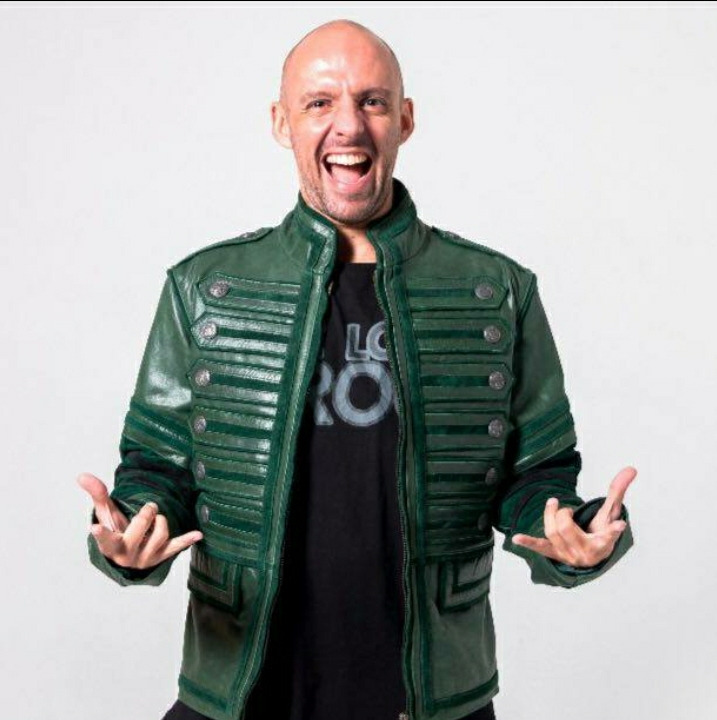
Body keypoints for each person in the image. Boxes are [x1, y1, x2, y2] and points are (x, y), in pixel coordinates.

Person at [78, 19, 636, 720]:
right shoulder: (204, 288)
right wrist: (136, 528)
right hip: (242, 690)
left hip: (431, 696)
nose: (348, 125)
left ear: (404, 120)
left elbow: (536, 475)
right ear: (281, 122)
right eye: (319, 102)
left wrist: (569, 530)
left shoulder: (494, 291)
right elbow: (158, 467)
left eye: (372, 101)